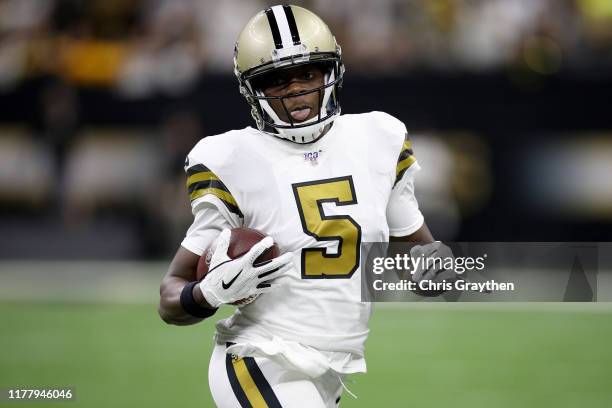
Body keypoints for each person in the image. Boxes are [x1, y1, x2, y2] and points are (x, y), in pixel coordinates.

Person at [158, 5, 453, 407]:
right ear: (251, 88)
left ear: (332, 72)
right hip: (259, 357)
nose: (295, 88)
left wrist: (436, 268)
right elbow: (170, 297)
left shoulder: (379, 137)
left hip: (334, 367)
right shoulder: (228, 157)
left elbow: (418, 258)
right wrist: (207, 293)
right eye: (276, 79)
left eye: (307, 73)